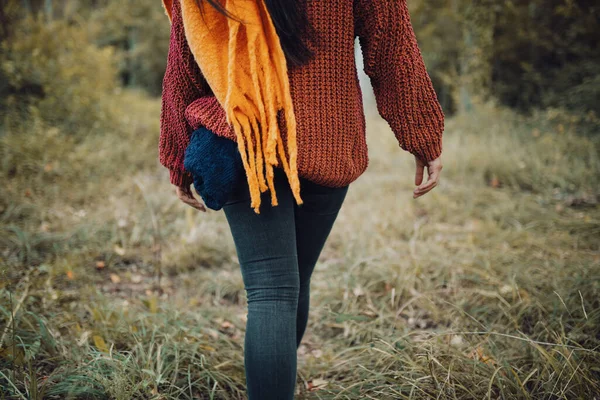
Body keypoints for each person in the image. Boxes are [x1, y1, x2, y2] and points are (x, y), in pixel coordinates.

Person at [159, 0, 444, 398]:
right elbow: (392, 47)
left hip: (246, 137)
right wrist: (423, 134)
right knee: (289, 285)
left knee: (272, 290)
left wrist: (177, 154)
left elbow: (185, 52)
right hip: (327, 137)